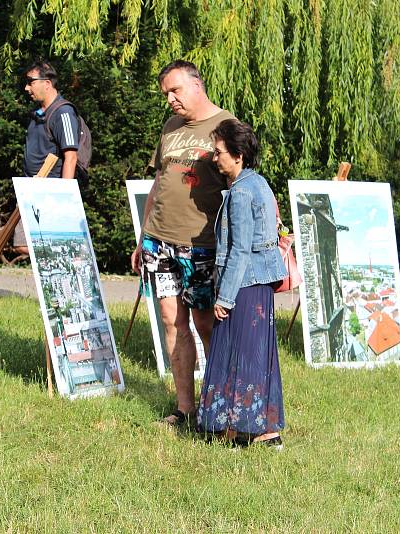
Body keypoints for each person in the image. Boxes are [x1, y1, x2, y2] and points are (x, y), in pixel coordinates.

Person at [131, 60, 235, 426]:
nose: (171, 100)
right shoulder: (170, 127)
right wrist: (144, 237)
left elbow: (239, 185)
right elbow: (159, 181)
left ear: (196, 84)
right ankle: (185, 408)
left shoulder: (226, 126)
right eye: (166, 94)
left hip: (202, 246)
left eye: (175, 91)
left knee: (207, 325)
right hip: (160, 243)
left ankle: (219, 407)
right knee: (172, 323)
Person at [197, 119, 287, 449]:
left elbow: (240, 249)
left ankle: (241, 428)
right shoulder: (258, 183)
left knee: (241, 354)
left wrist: (225, 297)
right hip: (258, 284)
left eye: (218, 152)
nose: (214, 158)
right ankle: (263, 429)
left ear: (238, 155)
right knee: (258, 354)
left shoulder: (241, 191)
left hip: (245, 285)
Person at [14, 59, 81, 255]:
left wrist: (64, 198)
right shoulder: (37, 115)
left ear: (47, 83)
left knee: (27, 243)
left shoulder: (63, 113)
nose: (27, 88)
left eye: (30, 81)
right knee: (20, 243)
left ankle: (63, 251)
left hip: (49, 192)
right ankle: (60, 252)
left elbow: (71, 157)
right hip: (31, 188)